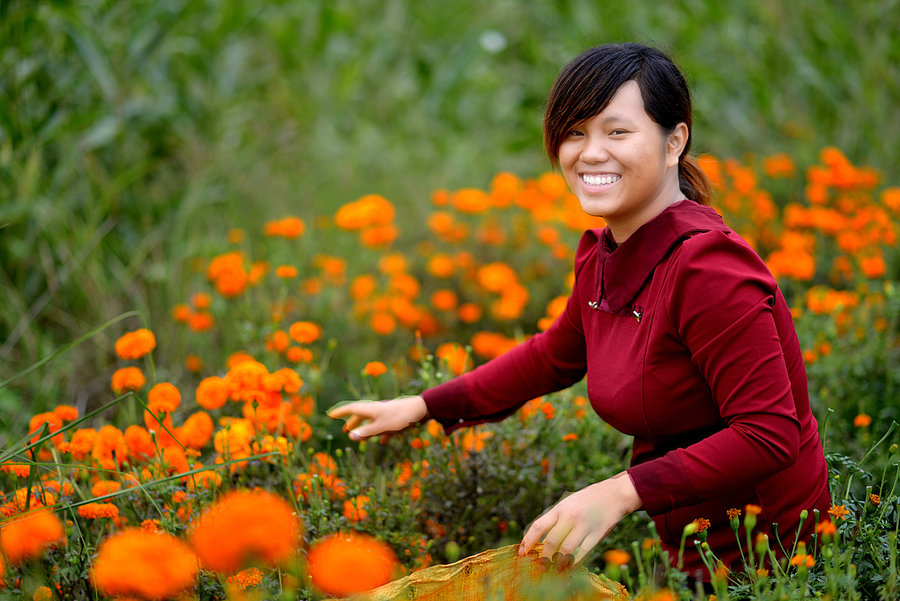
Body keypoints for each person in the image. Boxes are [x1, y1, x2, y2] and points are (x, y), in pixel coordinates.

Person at [328, 42, 831, 580]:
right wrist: (425, 405)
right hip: (693, 544)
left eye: (617, 132)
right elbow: (555, 355)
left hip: (778, 560)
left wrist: (620, 492)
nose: (590, 153)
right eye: (575, 132)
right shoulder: (603, 252)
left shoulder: (709, 268)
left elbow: (767, 432)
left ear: (673, 142)